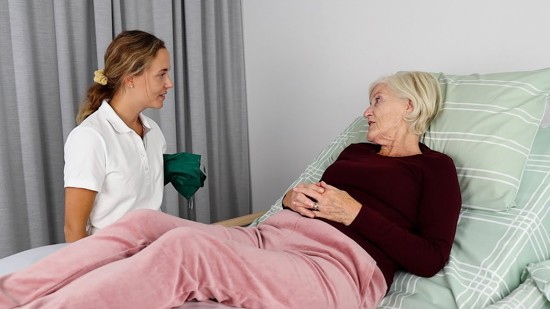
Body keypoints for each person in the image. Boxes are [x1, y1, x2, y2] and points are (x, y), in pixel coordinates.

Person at [0, 71, 461, 309]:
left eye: (377, 99)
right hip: (269, 238)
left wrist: (354, 214)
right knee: (142, 222)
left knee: (186, 247)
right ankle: (11, 293)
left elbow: (430, 257)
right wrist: (288, 200)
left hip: (332, 271)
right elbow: (313, 200)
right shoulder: (356, 151)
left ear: (411, 105)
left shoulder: (435, 170)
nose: (366, 110)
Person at [63, 30, 173, 242]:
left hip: (155, 250)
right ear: (131, 79)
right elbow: (73, 229)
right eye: (162, 74)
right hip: (112, 260)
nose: (169, 83)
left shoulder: (153, 132)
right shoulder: (91, 137)